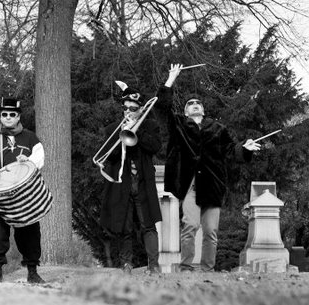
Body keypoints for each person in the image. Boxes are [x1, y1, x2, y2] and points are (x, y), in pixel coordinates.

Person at [158, 64, 261, 272]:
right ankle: (186, 267)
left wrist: (246, 149)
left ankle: (207, 270)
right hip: (188, 185)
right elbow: (162, 107)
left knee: (211, 231)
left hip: (213, 186)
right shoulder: (178, 125)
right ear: (186, 110)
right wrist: (171, 79)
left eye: (198, 103)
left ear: (203, 109)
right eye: (190, 103)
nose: (195, 104)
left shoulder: (218, 129)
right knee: (190, 225)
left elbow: (233, 151)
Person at [0, 98, 47, 283]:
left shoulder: (31, 138)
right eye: (4, 114)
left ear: (18, 117)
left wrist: (29, 162)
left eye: (12, 115)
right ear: (1, 117)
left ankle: (32, 272)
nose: (8, 118)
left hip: (24, 197)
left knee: (29, 232)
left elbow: (39, 158)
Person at [98, 84, 163, 275]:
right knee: (123, 227)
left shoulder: (150, 126)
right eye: (125, 108)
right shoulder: (113, 129)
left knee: (148, 225)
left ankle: (153, 264)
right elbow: (109, 156)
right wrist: (121, 135)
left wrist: (137, 131)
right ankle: (126, 264)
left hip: (143, 183)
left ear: (141, 108)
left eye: (133, 108)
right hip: (122, 184)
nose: (128, 111)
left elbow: (155, 147)